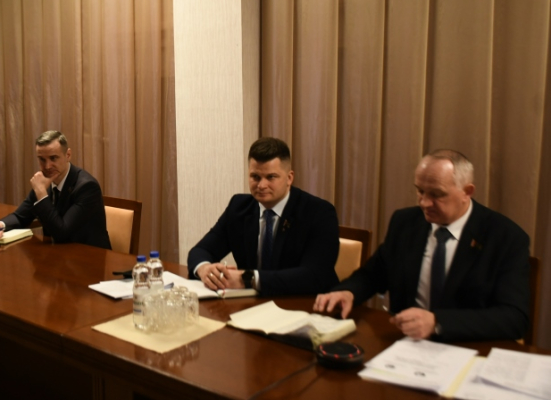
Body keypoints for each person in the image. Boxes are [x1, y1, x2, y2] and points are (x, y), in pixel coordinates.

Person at [314, 149, 530, 342]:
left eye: (436, 194)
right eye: (420, 191)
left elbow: (514, 318)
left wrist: (437, 322)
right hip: (403, 343)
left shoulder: (505, 237)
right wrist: (348, 292)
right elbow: (373, 275)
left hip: (466, 347)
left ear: (467, 192)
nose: (424, 203)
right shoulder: (405, 222)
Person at [187, 137, 340, 296]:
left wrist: (248, 279)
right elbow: (201, 250)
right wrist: (204, 269)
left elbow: (314, 276)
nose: (261, 185)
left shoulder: (319, 212)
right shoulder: (238, 207)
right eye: (255, 177)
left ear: (289, 178)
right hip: (252, 303)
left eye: (271, 177)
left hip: (306, 302)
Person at [0, 131, 111, 249]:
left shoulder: (87, 187)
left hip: (88, 256)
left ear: (68, 155)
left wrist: (41, 193)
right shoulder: (45, 181)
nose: (47, 166)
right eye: (42, 159)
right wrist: (1, 225)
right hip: (58, 254)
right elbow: (20, 216)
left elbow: (61, 233)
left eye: (53, 158)